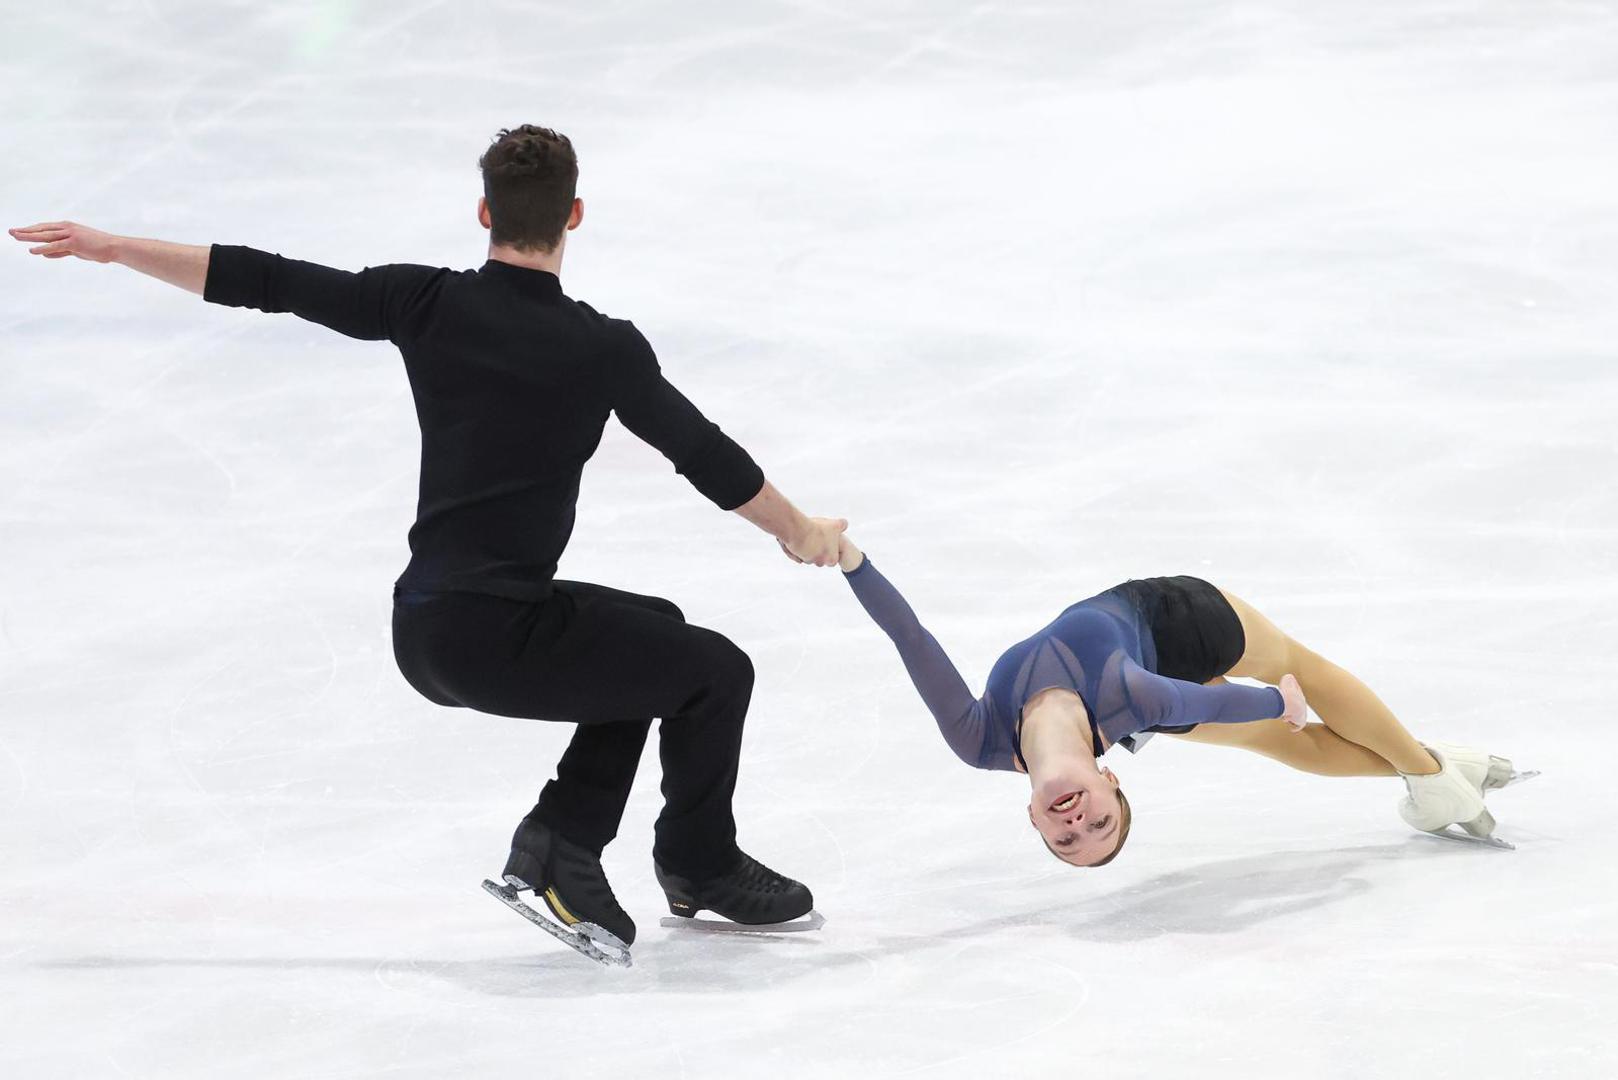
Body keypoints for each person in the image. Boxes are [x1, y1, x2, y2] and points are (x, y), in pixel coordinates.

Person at [10, 125, 841, 963]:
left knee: (655, 629)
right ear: (575, 215)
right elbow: (704, 455)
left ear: (484, 212)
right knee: (718, 671)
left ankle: (566, 838)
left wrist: (114, 247)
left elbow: (268, 280)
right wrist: (801, 532)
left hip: (427, 626)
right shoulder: (603, 348)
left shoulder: (425, 302)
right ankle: (691, 860)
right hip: (498, 636)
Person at [833, 536, 1524, 867]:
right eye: (1100, 826)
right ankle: (1432, 773)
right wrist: (1278, 701)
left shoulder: (978, 737)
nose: (1077, 823)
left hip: (1162, 630)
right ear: (1111, 780)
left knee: (1287, 712)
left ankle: (1435, 772)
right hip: (1179, 632)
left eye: (1065, 838)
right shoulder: (1129, 701)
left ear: (1034, 818)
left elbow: (910, 638)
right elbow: (1219, 707)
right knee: (1296, 682)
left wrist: (852, 563)